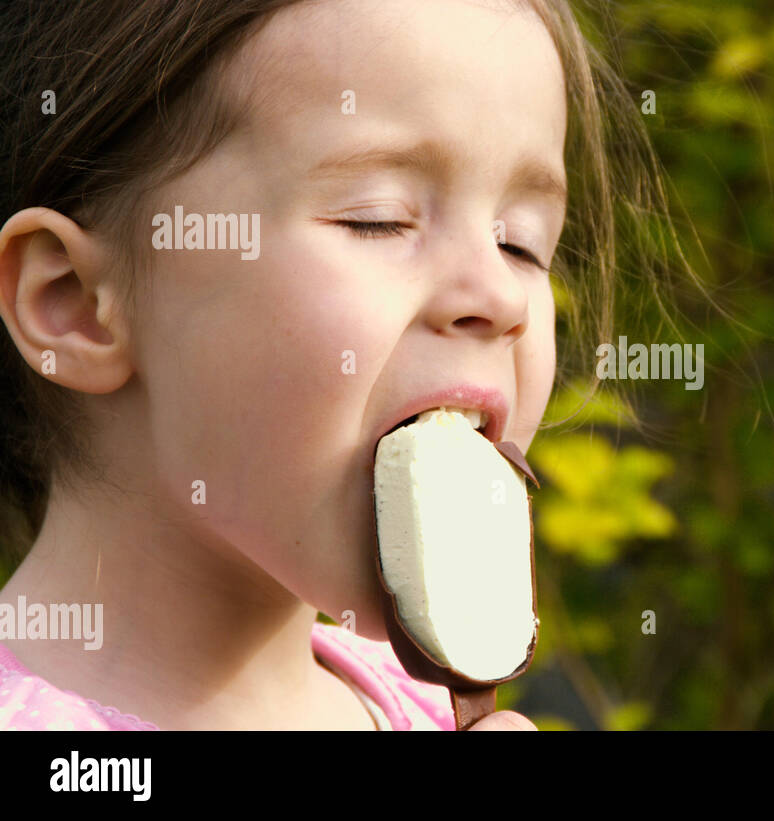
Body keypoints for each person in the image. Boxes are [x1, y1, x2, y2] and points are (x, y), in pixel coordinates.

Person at [0, 0, 673, 730]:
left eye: (522, 242)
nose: (500, 294)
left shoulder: (417, 705)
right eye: (376, 217)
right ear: (71, 304)